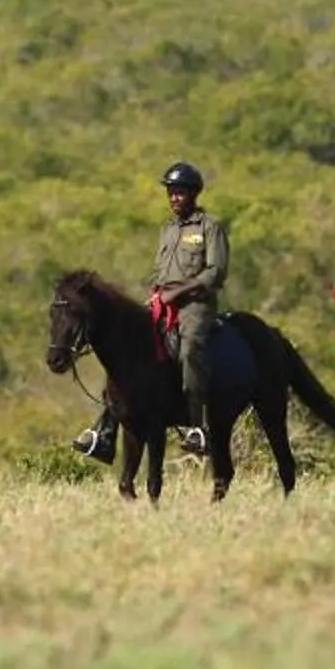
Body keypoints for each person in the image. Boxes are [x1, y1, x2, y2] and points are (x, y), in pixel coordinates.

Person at [75, 161, 230, 462]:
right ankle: (104, 431)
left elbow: (216, 273)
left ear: (193, 194)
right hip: (163, 301)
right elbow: (160, 272)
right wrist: (154, 296)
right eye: (170, 193)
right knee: (123, 350)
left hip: (195, 305)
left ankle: (198, 427)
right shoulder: (168, 230)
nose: (174, 198)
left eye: (180, 193)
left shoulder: (209, 227)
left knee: (189, 350)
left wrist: (178, 292)